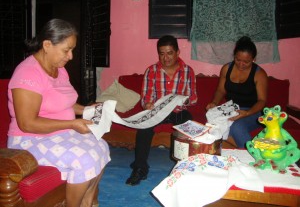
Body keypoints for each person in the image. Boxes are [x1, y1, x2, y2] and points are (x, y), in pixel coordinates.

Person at [7, 19, 110, 207]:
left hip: (59, 134)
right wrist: (72, 124)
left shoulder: (59, 69)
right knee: (84, 159)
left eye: (72, 50)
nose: (70, 56)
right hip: (29, 139)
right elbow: (27, 123)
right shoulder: (27, 74)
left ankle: (87, 201)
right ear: (47, 45)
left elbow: (64, 104)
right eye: (66, 50)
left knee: (101, 145)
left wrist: (89, 109)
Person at [126, 35, 198, 186]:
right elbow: (146, 97)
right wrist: (147, 105)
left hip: (178, 112)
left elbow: (193, 97)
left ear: (178, 53)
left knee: (188, 124)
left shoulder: (187, 71)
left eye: (169, 53)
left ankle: (186, 169)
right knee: (144, 128)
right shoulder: (151, 71)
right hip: (157, 113)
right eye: (162, 53)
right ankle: (140, 168)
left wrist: (183, 99)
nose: (165, 58)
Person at [206, 36, 268, 148]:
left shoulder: (259, 74)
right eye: (237, 60)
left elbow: (262, 101)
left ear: (254, 59)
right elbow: (220, 90)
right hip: (232, 109)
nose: (241, 64)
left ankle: (255, 157)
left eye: (246, 62)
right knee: (216, 126)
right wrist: (214, 103)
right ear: (234, 56)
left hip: (254, 112)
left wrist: (247, 113)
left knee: (236, 126)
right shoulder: (226, 69)